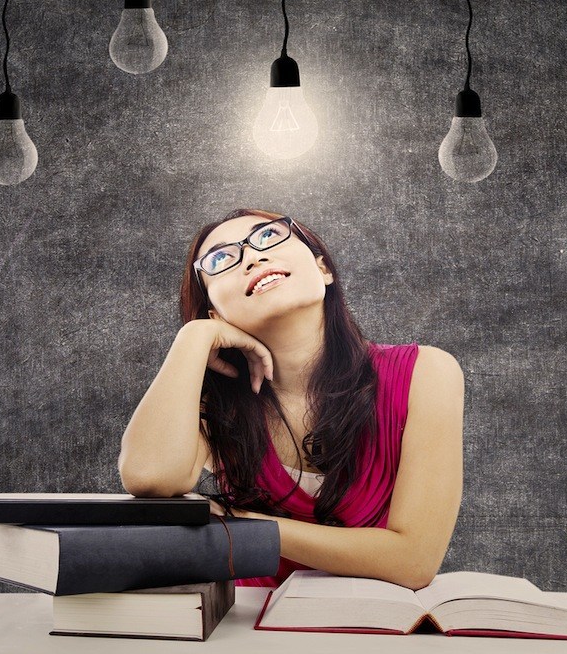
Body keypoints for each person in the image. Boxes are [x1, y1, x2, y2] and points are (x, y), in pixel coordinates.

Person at [118, 209, 464, 590]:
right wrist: (193, 338)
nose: (252, 257)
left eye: (267, 236)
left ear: (323, 269)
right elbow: (149, 478)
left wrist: (242, 522)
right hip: (252, 633)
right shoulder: (210, 403)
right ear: (216, 312)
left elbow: (412, 562)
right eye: (221, 259)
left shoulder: (427, 372)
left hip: (379, 630)